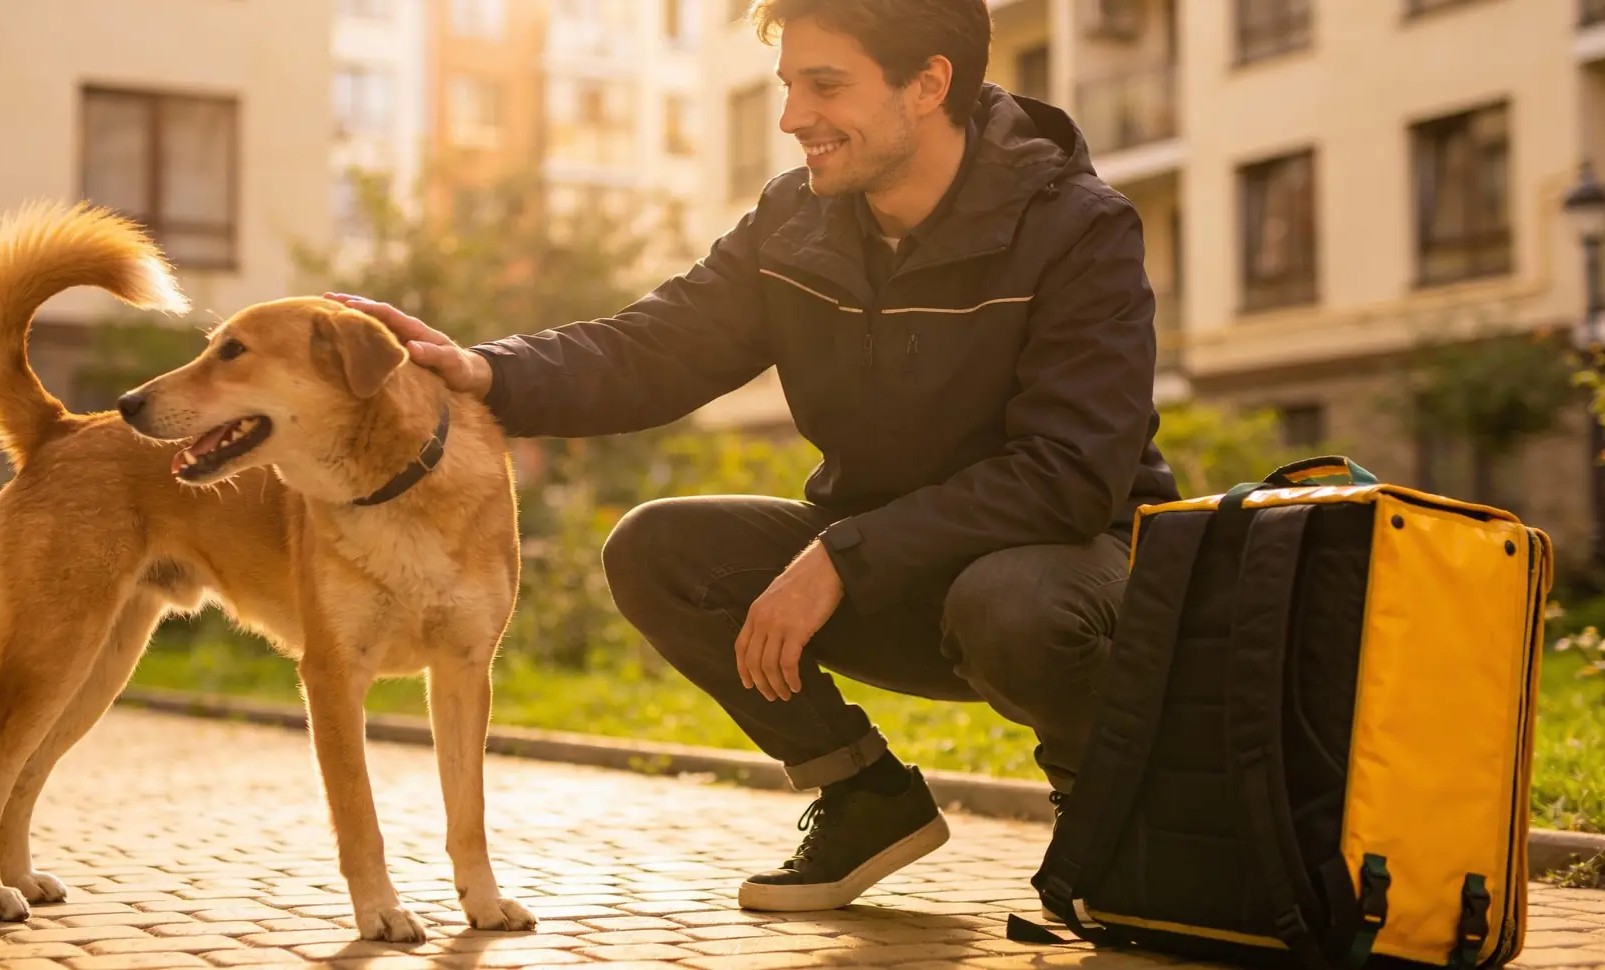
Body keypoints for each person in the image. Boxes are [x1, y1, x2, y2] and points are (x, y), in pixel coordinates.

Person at [328, 0, 1179, 917]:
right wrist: (487, 370)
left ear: (929, 84)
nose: (791, 119)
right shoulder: (795, 222)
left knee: (1013, 601)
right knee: (658, 551)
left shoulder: (1079, 227)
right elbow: (656, 346)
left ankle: (1111, 808)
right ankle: (865, 797)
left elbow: (1071, 471)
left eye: (825, 85)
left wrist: (843, 558)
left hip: (1070, 576)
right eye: (787, 86)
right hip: (889, 574)